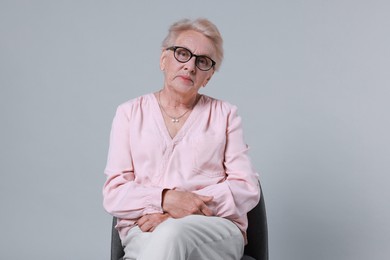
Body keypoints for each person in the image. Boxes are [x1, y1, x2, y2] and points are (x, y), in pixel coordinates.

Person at [103, 18, 261, 260]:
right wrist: (165, 199)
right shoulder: (129, 114)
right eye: (182, 54)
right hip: (145, 229)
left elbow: (245, 188)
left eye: (203, 61)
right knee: (165, 237)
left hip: (214, 229)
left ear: (208, 77)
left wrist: (183, 211)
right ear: (163, 59)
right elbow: (115, 193)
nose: (190, 66)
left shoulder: (225, 115)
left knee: (171, 233)